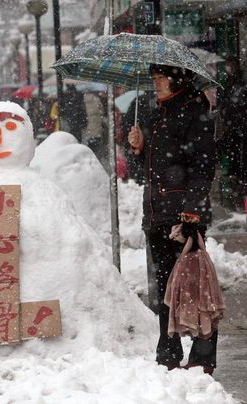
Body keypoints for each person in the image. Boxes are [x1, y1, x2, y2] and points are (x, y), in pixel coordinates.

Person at [128, 64, 217, 374]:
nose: (156, 84)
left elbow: (202, 166)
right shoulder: (158, 113)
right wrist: (139, 149)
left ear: (177, 78)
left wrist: (191, 213)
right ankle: (168, 349)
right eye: (153, 79)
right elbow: (146, 174)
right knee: (166, 286)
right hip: (157, 215)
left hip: (182, 216)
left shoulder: (193, 111)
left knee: (193, 284)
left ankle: (203, 352)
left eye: (161, 78)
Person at [218, 56, 247, 210]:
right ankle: (237, 191)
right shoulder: (227, 84)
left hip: (240, 127)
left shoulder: (240, 84)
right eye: (227, 65)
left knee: (239, 161)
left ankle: (240, 193)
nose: (228, 68)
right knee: (234, 160)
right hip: (232, 128)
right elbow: (225, 103)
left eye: (230, 65)